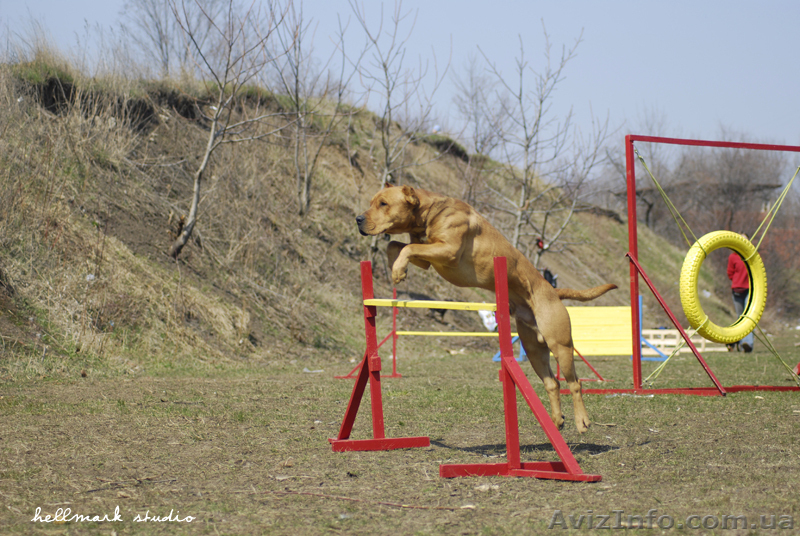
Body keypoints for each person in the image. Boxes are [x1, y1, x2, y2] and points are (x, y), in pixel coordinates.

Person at [726, 234, 754, 353]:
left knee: (749, 316)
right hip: (737, 290)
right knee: (740, 317)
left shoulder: (752, 255)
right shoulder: (733, 257)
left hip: (749, 290)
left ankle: (747, 343)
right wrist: (737, 281)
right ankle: (736, 341)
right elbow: (730, 273)